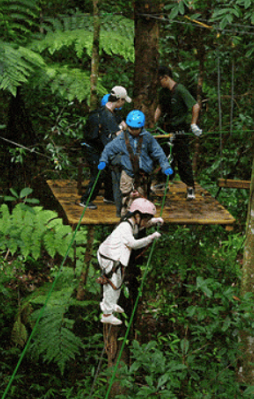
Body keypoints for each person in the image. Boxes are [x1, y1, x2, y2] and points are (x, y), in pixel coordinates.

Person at [97, 198, 164, 325]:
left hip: (114, 257)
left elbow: (142, 226)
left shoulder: (132, 223)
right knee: (112, 284)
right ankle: (107, 314)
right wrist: (150, 238)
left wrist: (154, 221)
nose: (146, 222)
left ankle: (110, 304)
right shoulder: (125, 227)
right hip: (109, 258)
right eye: (146, 218)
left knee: (117, 282)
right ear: (137, 216)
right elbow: (133, 244)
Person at [98, 110, 174, 216]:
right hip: (127, 173)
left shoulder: (147, 138)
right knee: (126, 198)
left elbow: (158, 152)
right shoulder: (122, 138)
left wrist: (165, 166)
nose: (133, 131)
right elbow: (109, 149)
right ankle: (125, 219)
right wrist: (103, 160)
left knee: (140, 201)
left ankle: (139, 220)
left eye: (136, 129)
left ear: (141, 127)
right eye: (131, 128)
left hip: (142, 175)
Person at [77, 86, 132, 209]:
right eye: (124, 100)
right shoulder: (105, 116)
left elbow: (122, 126)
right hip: (92, 148)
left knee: (111, 168)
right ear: (119, 100)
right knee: (99, 172)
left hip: (101, 147)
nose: (124, 103)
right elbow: (116, 136)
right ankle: (86, 200)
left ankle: (109, 196)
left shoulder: (112, 113)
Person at [154, 65, 202, 200]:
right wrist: (152, 123)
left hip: (179, 129)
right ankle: (163, 182)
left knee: (183, 159)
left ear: (166, 78)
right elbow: (159, 108)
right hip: (166, 128)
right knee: (164, 156)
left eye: (160, 79)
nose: (159, 83)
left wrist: (193, 124)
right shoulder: (162, 92)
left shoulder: (180, 90)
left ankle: (190, 187)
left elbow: (195, 106)